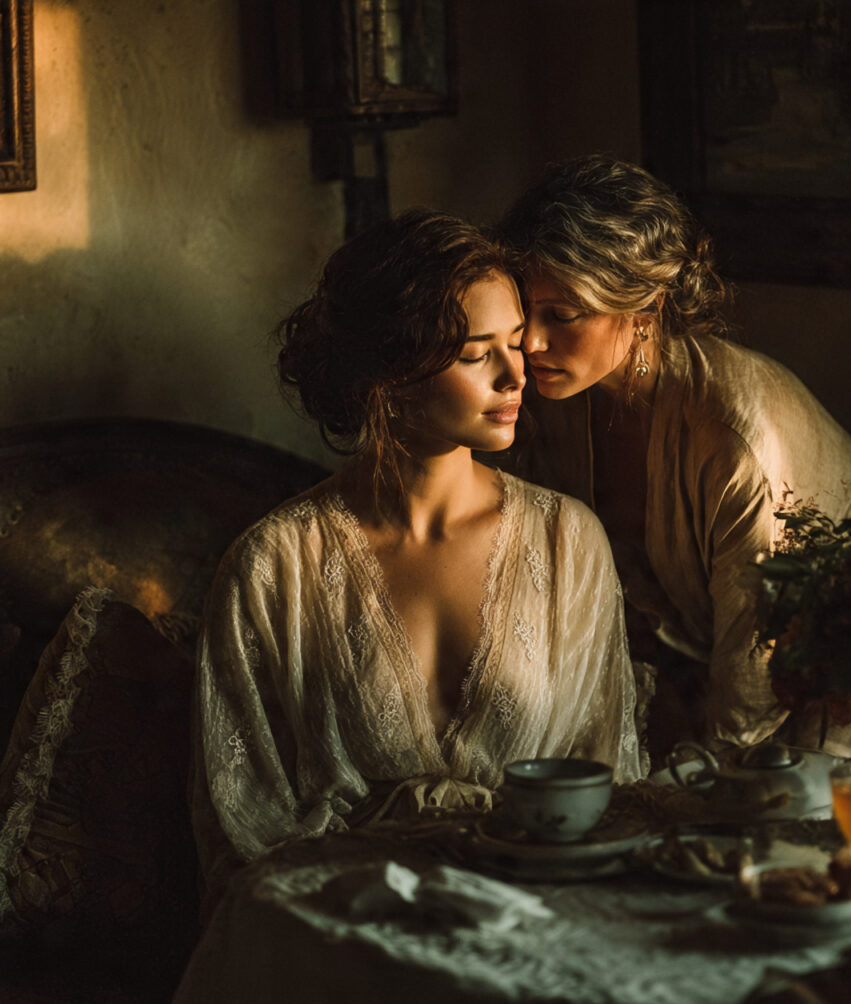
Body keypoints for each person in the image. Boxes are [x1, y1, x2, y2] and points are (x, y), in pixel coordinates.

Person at [190, 209, 642, 907]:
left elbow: (607, 775)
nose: (515, 375)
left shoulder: (567, 542)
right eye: (475, 354)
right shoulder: (274, 566)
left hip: (535, 912)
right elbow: (243, 819)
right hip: (340, 925)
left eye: (515, 342)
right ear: (389, 375)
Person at [497, 155, 851, 763]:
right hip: (689, 691)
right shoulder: (552, 397)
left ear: (646, 307)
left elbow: (758, 665)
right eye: (524, 311)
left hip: (829, 709)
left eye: (563, 315)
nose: (530, 340)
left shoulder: (734, 435)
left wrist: (696, 775)